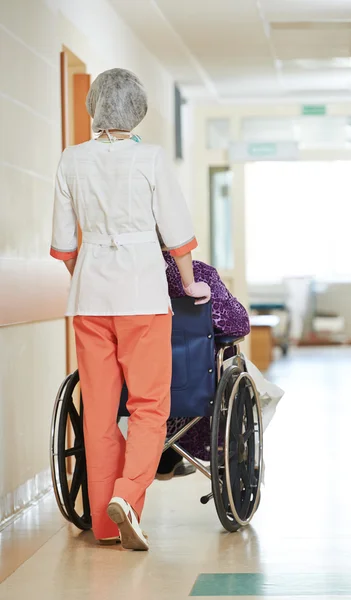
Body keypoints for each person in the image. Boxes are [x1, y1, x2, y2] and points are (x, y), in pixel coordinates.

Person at [50, 68, 211, 550]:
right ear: (137, 110)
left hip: (89, 300)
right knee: (148, 406)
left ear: (94, 107)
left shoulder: (71, 159)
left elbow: (64, 244)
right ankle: (128, 494)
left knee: (99, 412)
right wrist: (190, 283)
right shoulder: (151, 158)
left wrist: (88, 278)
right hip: (142, 295)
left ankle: (104, 524)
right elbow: (176, 230)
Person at [155, 237, 250, 479]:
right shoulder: (198, 274)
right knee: (222, 361)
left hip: (137, 382)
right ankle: (223, 450)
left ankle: (166, 455)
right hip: (192, 385)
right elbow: (238, 325)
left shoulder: (122, 280)